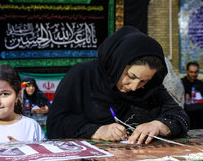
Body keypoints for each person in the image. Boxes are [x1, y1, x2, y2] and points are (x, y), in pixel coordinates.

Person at [47, 26, 189, 145]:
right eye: (131, 76)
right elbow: (56, 122)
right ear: (117, 64)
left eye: (143, 81)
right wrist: (97, 130)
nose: (134, 87)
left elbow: (179, 115)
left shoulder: (150, 87)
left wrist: (159, 125)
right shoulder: (84, 74)